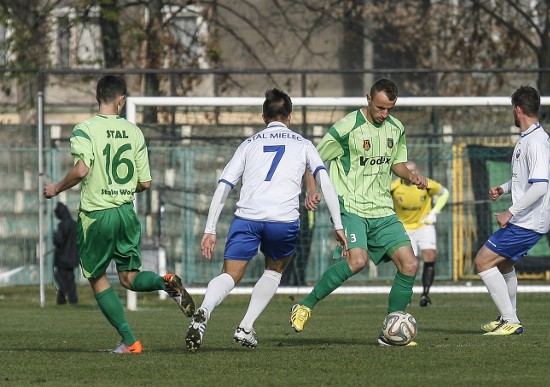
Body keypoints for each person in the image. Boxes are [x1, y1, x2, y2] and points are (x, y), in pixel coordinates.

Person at [185, 88, 347, 352]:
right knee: (274, 270)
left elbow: (224, 185)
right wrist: (337, 224)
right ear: (290, 117)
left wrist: (210, 228)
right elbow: (324, 181)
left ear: (263, 117)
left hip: (247, 217)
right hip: (282, 221)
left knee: (230, 275)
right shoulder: (303, 144)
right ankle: (246, 326)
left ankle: (204, 310)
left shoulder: (248, 144)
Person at [44, 74, 195, 354]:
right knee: (129, 277)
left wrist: (56, 188)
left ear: (98, 96)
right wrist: (122, 187)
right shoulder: (134, 132)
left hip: (97, 215)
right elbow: (146, 183)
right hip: (126, 212)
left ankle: (130, 341)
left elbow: (81, 170)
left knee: (97, 277)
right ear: (121, 99)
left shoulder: (84, 129)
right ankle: (165, 283)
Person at [289, 78, 428, 346]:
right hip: (350, 206)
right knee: (357, 261)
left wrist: (412, 176)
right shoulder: (347, 126)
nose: (384, 114)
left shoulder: (396, 128)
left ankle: (391, 331)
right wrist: (311, 188)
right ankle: (305, 306)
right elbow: (311, 160)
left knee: (410, 264)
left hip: (382, 209)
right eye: (379, 108)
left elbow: (396, 164)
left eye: (389, 109)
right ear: (368, 98)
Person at [474, 85, 550, 336]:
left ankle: (510, 320)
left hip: (528, 220)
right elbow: (527, 180)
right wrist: (504, 188)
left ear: (517, 109)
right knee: (504, 264)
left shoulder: (537, 142)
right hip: (526, 217)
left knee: (482, 261)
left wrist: (509, 211)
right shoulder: (529, 138)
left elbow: (540, 187)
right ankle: (507, 318)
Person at [390, 161, 449, 307]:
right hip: (404, 228)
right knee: (407, 263)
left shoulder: (425, 184)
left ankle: (425, 295)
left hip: (424, 226)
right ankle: (406, 294)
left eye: (414, 170)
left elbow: (445, 193)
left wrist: (434, 212)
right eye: (408, 170)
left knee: (430, 256)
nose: (412, 173)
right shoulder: (394, 187)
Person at [53, 202, 79, 305]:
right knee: (70, 279)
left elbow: (59, 241)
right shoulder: (74, 224)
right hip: (72, 258)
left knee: (60, 278)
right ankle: (73, 299)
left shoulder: (62, 225)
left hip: (62, 258)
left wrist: (55, 236)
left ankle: (62, 298)